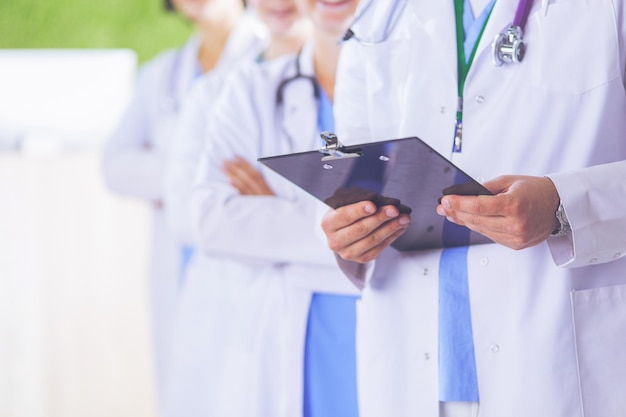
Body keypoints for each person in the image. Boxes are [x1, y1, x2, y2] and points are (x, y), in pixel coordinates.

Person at [320, 1, 626, 417]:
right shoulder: (380, 18)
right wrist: (347, 234)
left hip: (553, 363)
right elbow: (352, 177)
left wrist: (565, 203)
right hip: (410, 364)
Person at [184, 0, 362, 415]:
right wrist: (339, 229)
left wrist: (277, 219)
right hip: (288, 336)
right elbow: (211, 221)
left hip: (390, 332)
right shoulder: (251, 89)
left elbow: (419, 226)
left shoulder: (410, 90)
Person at [100, 0, 266, 409]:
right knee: (187, 391)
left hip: (251, 256)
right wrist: (199, 175)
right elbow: (115, 166)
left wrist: (179, 173)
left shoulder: (270, 56)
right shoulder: (162, 73)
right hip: (180, 263)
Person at [160, 1, 311, 416]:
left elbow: (367, 216)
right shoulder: (214, 91)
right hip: (224, 304)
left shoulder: (353, 82)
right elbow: (187, 214)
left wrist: (261, 214)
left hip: (319, 311)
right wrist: (296, 213)